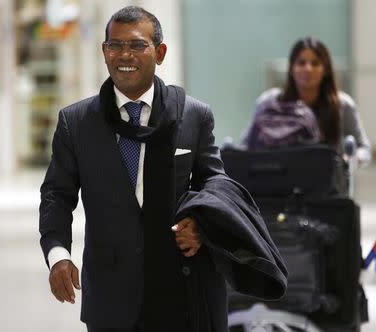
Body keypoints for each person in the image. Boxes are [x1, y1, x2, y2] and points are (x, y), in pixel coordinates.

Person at [39, 6, 287, 332]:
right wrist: (58, 254)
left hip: (183, 288)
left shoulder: (193, 115)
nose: (124, 54)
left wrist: (202, 224)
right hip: (112, 296)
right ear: (104, 51)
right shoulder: (77, 122)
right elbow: (58, 194)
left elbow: (214, 180)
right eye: (115, 45)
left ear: (160, 52)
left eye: (137, 45)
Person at [241, 37, 372, 167]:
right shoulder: (269, 101)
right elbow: (245, 145)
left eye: (315, 63)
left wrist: (351, 159)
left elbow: (364, 149)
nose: (308, 69)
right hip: (273, 179)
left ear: (325, 70)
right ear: (291, 68)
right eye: (301, 63)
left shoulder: (342, 105)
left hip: (325, 182)